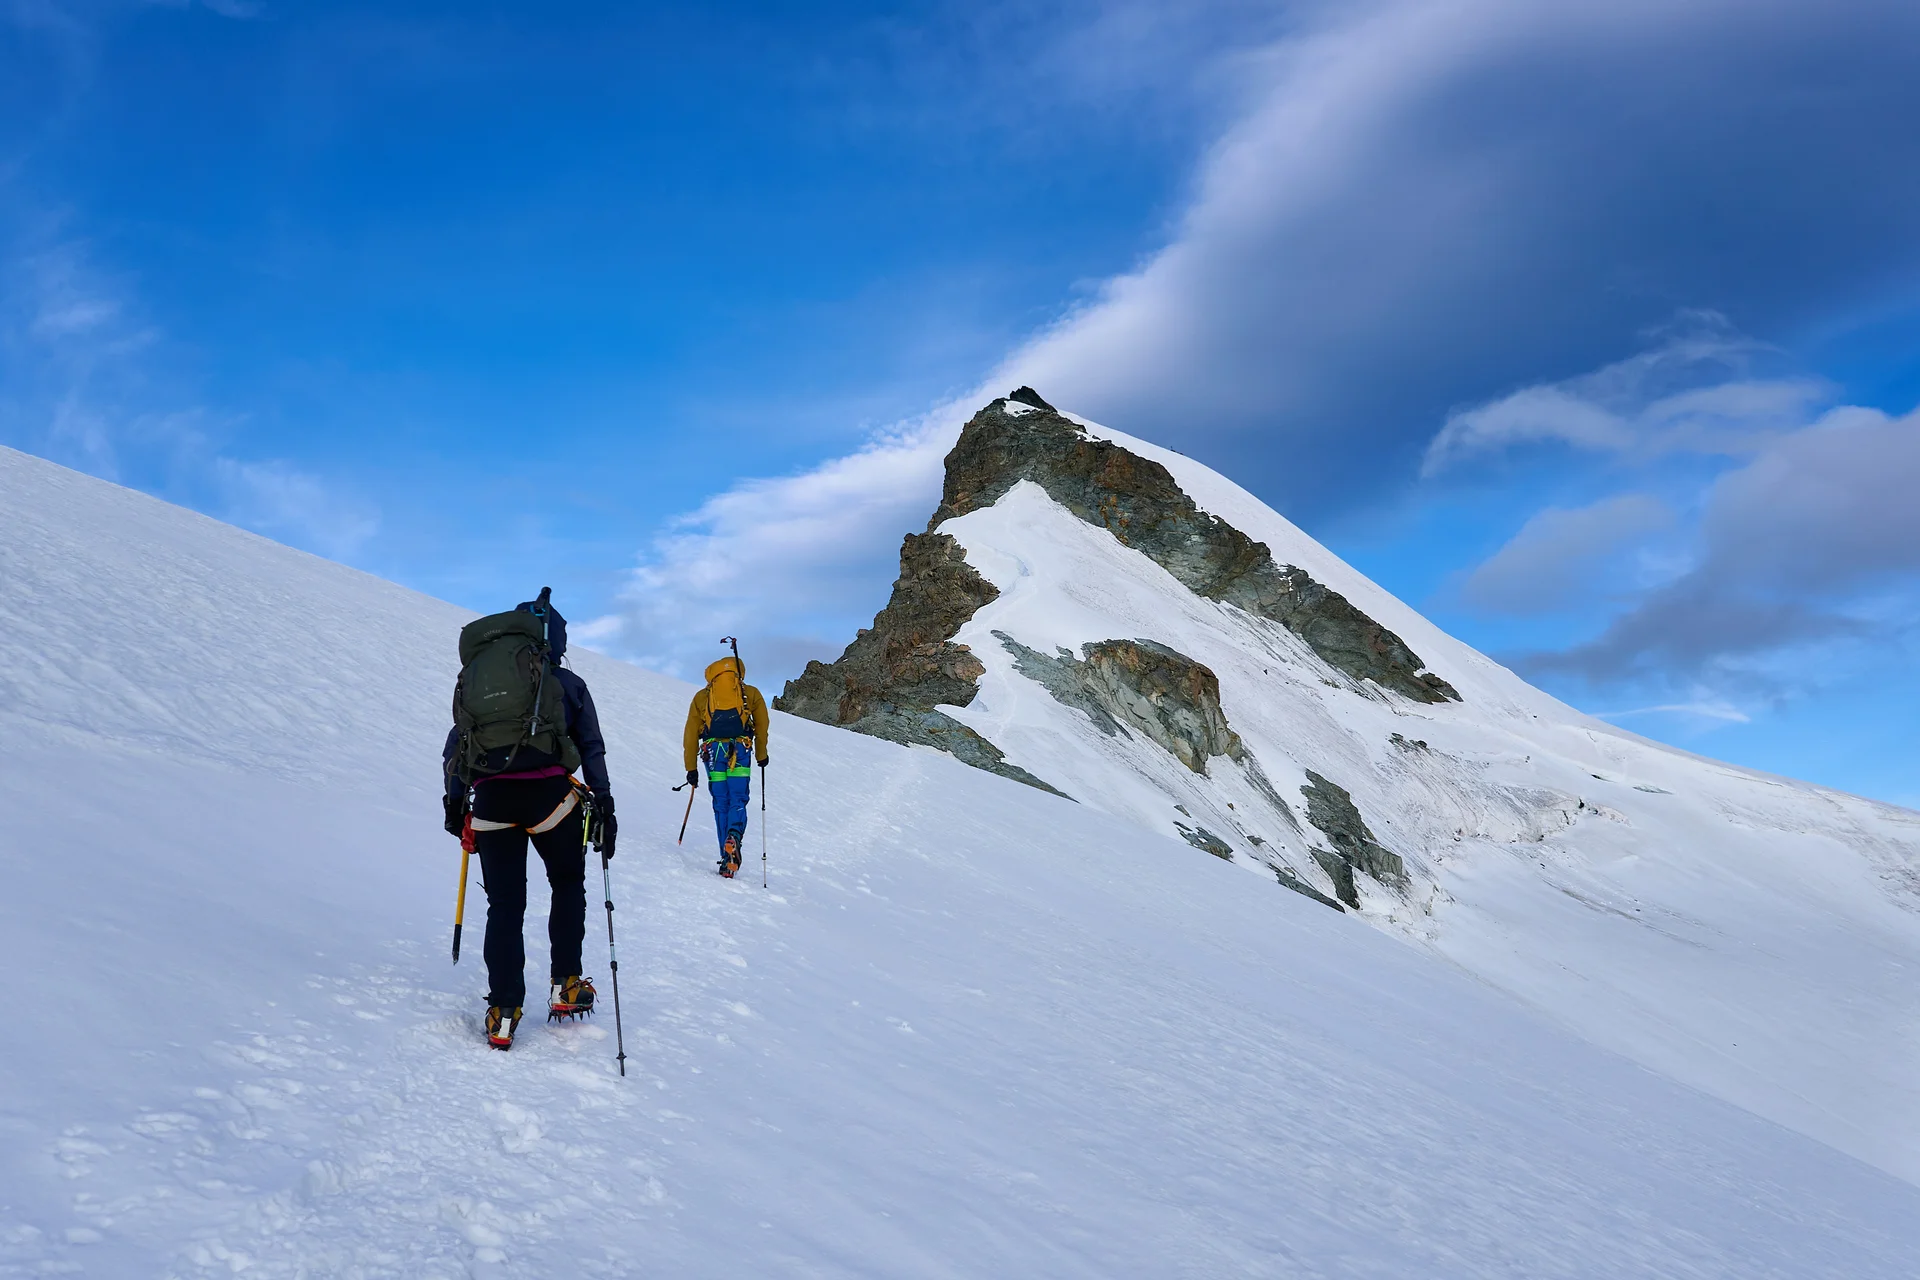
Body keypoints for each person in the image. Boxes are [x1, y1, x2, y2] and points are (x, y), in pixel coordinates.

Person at [443, 591, 616, 1050]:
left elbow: (457, 745)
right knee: (567, 883)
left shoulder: (479, 681)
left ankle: (503, 1011)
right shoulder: (567, 683)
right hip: (550, 801)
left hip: (491, 802)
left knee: (504, 904)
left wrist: (455, 805)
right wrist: (604, 801)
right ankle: (565, 985)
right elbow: (591, 745)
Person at [682, 653, 769, 878]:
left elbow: (690, 733)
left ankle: (725, 857)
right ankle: (734, 837)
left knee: (721, 802)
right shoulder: (750, 693)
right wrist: (761, 754)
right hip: (740, 749)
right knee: (737, 799)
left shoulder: (702, 697)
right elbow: (762, 725)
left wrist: (691, 768)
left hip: (712, 752)